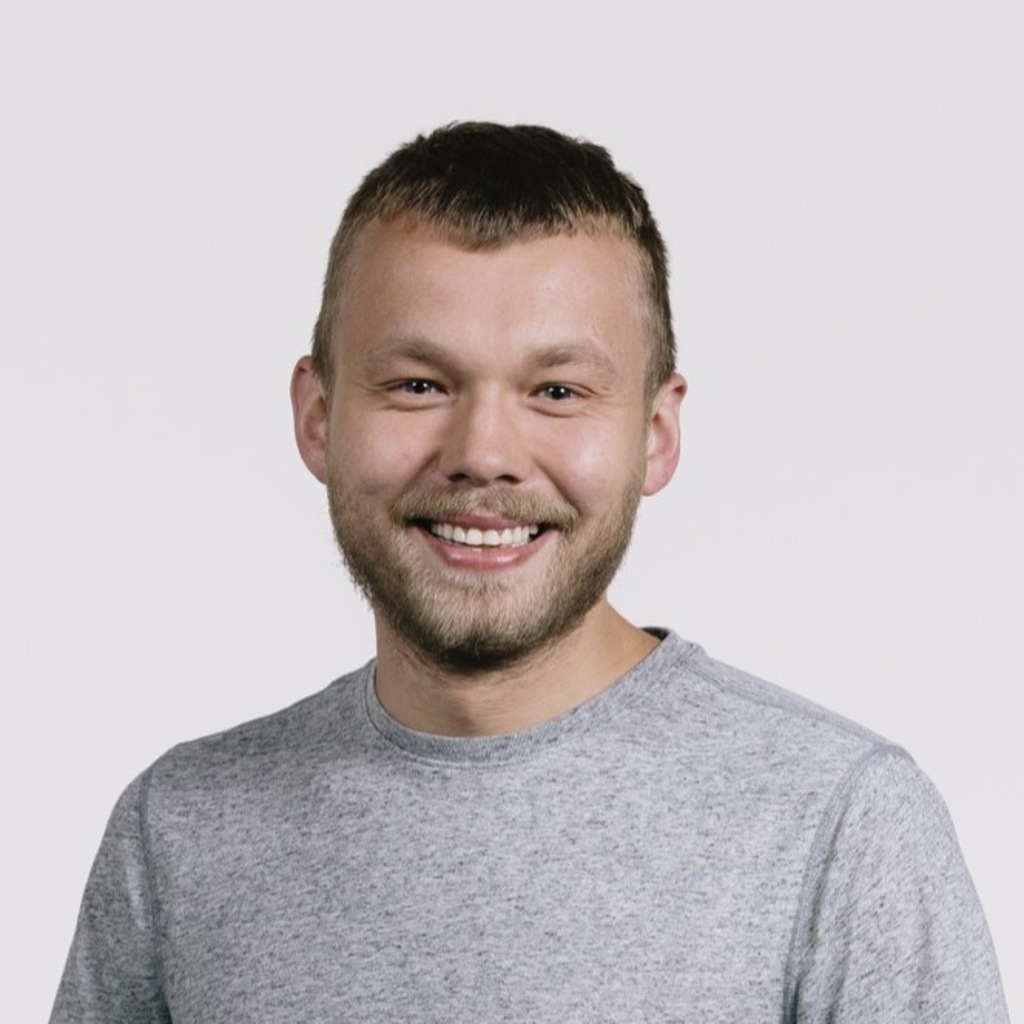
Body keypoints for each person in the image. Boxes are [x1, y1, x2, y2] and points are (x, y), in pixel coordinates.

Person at [50, 122, 1008, 1023]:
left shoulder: (839, 827)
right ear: (317, 416)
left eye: (557, 391)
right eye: (419, 384)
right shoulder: (180, 831)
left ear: (657, 432)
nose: (483, 453)